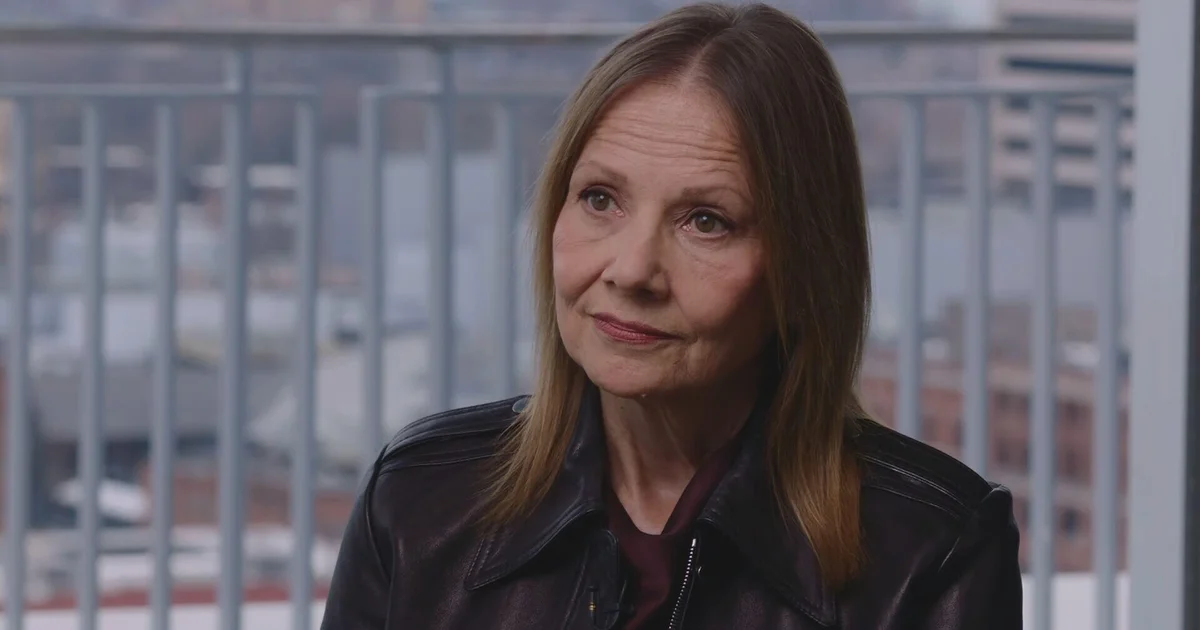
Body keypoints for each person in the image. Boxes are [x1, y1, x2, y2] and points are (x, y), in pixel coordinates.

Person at [320, 3, 1022, 629]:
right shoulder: (417, 500)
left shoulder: (934, 554)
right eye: (600, 199)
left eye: (706, 221)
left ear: (805, 267)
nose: (631, 271)